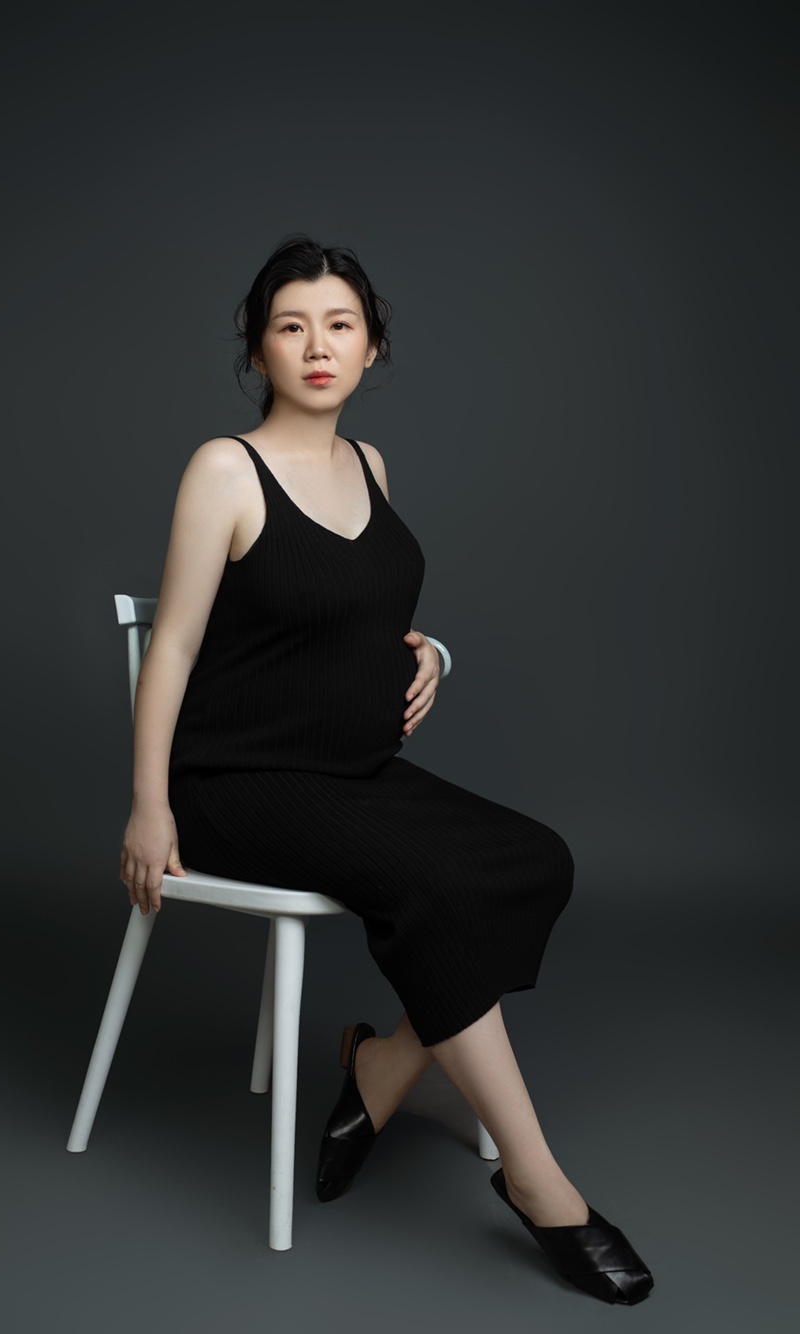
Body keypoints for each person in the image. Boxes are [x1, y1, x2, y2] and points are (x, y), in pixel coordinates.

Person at [118, 234, 654, 1305]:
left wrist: (433, 652)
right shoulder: (225, 469)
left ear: (371, 348)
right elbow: (173, 645)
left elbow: (361, 615)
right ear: (258, 349)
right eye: (291, 326)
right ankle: (540, 1184)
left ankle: (384, 1065)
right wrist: (147, 802)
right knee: (437, 888)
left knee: (538, 860)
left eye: (341, 325)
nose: (317, 346)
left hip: (353, 771)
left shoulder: (370, 466)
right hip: (238, 784)